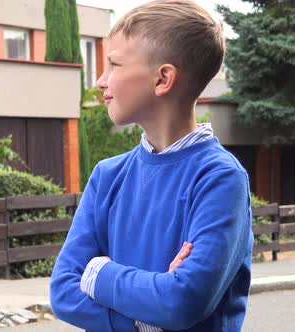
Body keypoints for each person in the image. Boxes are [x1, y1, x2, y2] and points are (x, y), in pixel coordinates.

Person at [49, 1, 254, 331]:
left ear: (163, 79)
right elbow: (63, 292)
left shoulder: (220, 179)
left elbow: (182, 301)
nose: (101, 80)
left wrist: (99, 272)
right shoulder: (107, 176)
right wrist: (147, 318)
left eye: (114, 65)